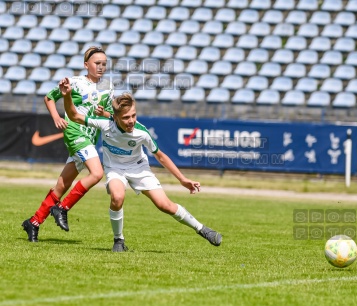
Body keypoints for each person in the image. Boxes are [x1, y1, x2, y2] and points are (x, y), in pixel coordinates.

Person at [59, 78, 222, 251]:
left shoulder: (141, 132)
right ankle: (119, 241)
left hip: (139, 168)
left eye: (134, 115)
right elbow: (74, 115)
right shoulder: (105, 124)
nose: (131, 121)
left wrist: (182, 179)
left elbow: (161, 157)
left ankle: (202, 229)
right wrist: (68, 95)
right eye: (126, 117)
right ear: (115, 117)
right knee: (117, 197)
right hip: (115, 169)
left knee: (164, 205)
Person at [22, 46, 112, 242]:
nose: (101, 67)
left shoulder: (108, 87)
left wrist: (103, 113)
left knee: (62, 186)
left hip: (89, 137)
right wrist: (56, 116)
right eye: (97, 63)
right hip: (75, 132)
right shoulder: (75, 82)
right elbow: (49, 97)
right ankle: (62, 208)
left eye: (104, 64)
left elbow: (106, 114)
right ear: (86, 65)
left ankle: (34, 222)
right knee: (97, 173)